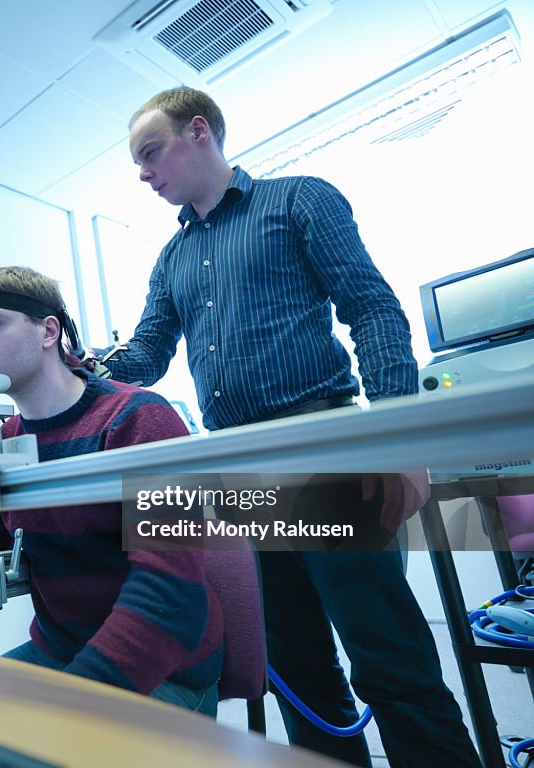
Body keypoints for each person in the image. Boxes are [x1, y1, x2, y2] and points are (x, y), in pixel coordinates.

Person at [105, 87, 480, 766]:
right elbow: (146, 357)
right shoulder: (171, 259)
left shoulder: (298, 199)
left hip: (322, 450)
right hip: (241, 473)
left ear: (199, 132)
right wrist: (75, 357)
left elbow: (372, 309)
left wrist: (398, 437)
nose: (143, 173)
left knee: (389, 665)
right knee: (301, 677)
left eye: (151, 153)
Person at [0, 265, 223, 715]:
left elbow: (168, 597)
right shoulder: (4, 439)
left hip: (159, 664)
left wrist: (75, 701)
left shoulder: (139, 420)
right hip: (58, 652)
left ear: (48, 331)